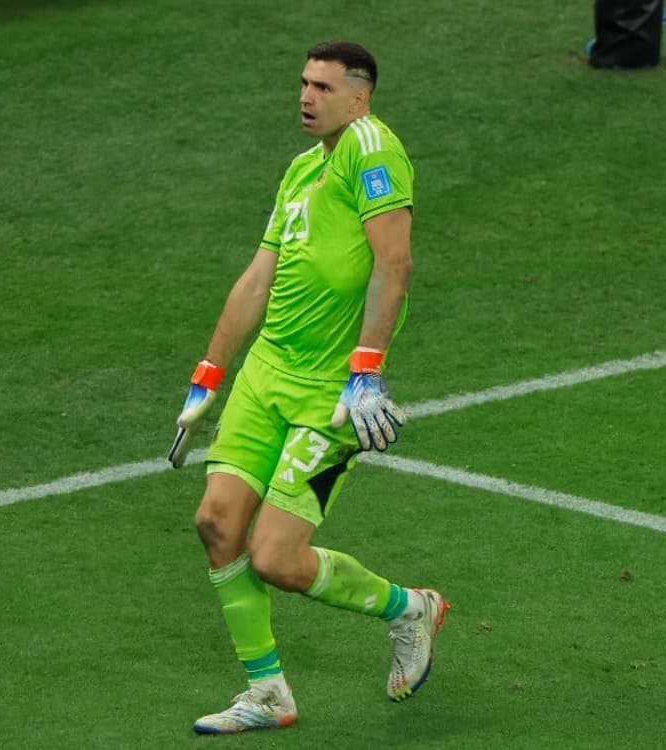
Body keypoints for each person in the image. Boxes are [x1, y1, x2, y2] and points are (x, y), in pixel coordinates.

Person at [166, 40, 448, 735]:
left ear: (360, 96)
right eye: (302, 83)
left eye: (323, 87)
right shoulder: (299, 172)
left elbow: (396, 263)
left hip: (329, 394)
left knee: (276, 558)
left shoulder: (373, 152)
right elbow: (258, 278)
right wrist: (208, 376)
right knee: (215, 524)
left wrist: (366, 371)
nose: (306, 97)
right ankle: (268, 694)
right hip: (267, 376)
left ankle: (408, 608)